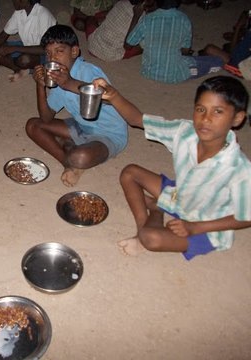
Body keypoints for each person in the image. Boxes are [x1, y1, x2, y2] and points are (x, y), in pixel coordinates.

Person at [92, 75, 251, 259]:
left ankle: (149, 225)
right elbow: (137, 119)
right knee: (130, 172)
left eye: (218, 111)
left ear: (237, 118)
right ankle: (150, 218)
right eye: (200, 109)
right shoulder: (185, 132)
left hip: (206, 225)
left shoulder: (239, 168)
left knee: (151, 238)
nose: (205, 119)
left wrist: (195, 227)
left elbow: (246, 217)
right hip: (180, 197)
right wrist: (113, 95)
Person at [26, 25, 128, 187]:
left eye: (59, 51)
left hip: (109, 134)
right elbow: (45, 118)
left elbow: (109, 99)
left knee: (79, 157)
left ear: (74, 52)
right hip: (81, 126)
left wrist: (69, 83)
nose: (53, 59)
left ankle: (73, 155)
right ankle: (68, 165)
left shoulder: (89, 71)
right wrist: (40, 85)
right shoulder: (58, 78)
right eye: (48, 53)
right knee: (32, 125)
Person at [126, 0, 223, 84]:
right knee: (217, 61)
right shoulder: (184, 19)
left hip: (148, 72)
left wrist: (136, 16)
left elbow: (128, 45)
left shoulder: (146, 19)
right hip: (175, 74)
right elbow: (185, 51)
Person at [0, 0, 56, 82]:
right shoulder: (19, 13)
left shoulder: (43, 15)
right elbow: (3, 35)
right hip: (25, 46)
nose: (13, 1)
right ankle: (18, 70)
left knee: (24, 60)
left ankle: (29, 69)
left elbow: (45, 49)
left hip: (44, 54)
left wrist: (15, 48)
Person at [86, 0, 156, 62]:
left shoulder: (122, 3)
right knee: (144, 45)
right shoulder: (143, 19)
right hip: (109, 55)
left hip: (92, 44)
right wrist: (136, 17)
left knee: (93, 18)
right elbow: (128, 46)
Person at [200, 10, 251, 78]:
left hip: (243, 70)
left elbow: (234, 53)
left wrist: (238, 27)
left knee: (209, 49)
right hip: (245, 61)